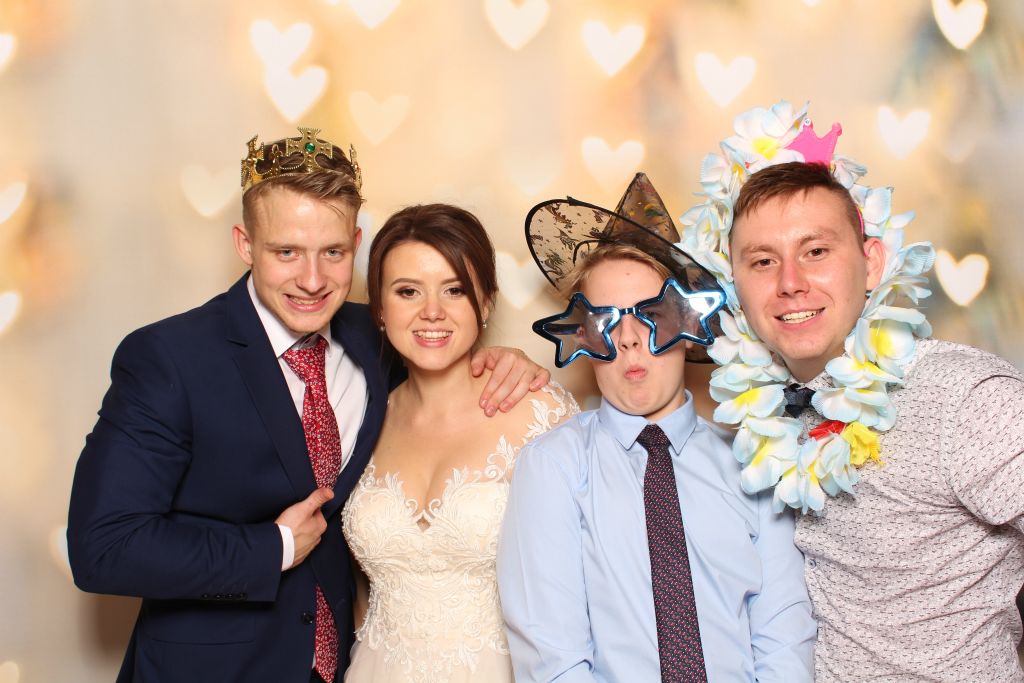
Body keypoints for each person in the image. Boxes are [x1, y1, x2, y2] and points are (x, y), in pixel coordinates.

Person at [67, 128, 548, 683]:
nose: (313, 281)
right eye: (286, 252)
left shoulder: (378, 338)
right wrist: (269, 548)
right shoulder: (170, 358)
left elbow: (438, 355)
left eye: (333, 253)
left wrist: (501, 358)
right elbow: (103, 548)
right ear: (245, 245)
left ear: (356, 245)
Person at [679, 101, 1024, 681]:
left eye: (816, 251)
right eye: (762, 261)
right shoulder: (763, 413)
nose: (790, 283)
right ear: (733, 286)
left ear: (871, 263)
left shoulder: (964, 399)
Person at [497, 173, 817, 682]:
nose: (628, 339)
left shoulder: (756, 462)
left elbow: (783, 636)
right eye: (605, 321)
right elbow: (552, 655)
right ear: (584, 336)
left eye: (651, 315)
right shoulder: (554, 467)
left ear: (688, 326)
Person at [340, 203, 578, 682]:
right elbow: (360, 594)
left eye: (455, 290)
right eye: (408, 291)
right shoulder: (359, 417)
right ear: (380, 310)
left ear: (485, 303)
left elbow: (588, 575)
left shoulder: (540, 413)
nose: (432, 311)